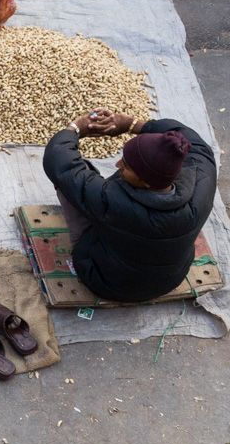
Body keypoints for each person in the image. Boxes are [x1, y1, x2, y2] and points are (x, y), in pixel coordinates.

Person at [42, 109, 218, 303]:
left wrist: (75, 129)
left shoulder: (112, 201)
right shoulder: (202, 181)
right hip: (170, 280)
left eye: (126, 166)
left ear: (147, 183)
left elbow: (58, 161)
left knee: (72, 184)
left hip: (105, 281)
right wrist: (132, 124)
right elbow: (195, 142)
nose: (118, 164)